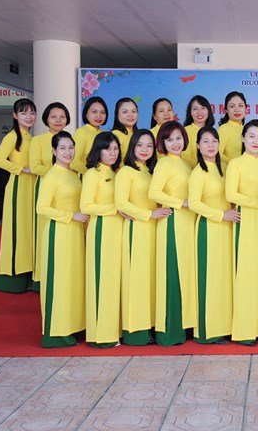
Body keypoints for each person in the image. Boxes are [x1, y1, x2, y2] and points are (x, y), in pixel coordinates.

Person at [115, 130, 171, 345]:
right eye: (140, 145)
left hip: (154, 231)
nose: (145, 149)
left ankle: (150, 326)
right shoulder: (126, 171)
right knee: (136, 279)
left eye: (149, 145)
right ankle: (135, 331)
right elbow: (121, 203)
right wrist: (149, 214)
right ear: (132, 147)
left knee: (150, 280)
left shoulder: (150, 171)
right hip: (137, 229)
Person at [225, 120, 258, 345]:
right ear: (243, 138)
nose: (256, 141)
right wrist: (257, 202)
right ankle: (245, 330)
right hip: (246, 221)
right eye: (251, 136)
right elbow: (231, 194)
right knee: (246, 273)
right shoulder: (235, 164)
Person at [148, 122, 197, 346]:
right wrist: (180, 203)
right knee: (173, 274)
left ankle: (185, 326)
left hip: (188, 223)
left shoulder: (185, 163)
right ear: (162, 143)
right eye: (169, 140)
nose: (175, 143)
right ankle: (170, 332)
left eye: (178, 138)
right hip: (173, 221)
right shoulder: (164, 163)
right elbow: (154, 192)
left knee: (186, 274)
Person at [189, 126, 239, 344]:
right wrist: (221, 215)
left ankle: (225, 326)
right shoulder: (198, 172)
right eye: (205, 141)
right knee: (210, 279)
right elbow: (194, 203)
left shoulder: (225, 168)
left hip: (228, 229)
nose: (211, 146)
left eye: (214, 141)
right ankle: (208, 331)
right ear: (198, 146)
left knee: (225, 279)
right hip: (209, 228)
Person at [37, 131, 86, 347]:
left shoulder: (73, 173)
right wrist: (70, 216)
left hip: (75, 233)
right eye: (63, 148)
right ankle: (56, 333)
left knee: (72, 280)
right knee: (60, 281)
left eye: (71, 147)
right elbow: (42, 207)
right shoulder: (52, 175)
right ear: (54, 151)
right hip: (59, 232)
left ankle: (71, 326)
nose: (68, 152)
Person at [80, 132, 123, 348]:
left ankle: (114, 330)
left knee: (114, 282)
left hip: (118, 231)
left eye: (115, 148)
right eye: (107, 149)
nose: (112, 153)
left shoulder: (116, 173)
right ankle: (100, 335)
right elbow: (86, 206)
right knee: (102, 280)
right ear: (98, 150)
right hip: (102, 231)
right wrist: (115, 209)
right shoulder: (92, 174)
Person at [0, 98, 37, 293]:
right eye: (23, 112)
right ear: (15, 115)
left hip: (31, 187)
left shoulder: (30, 137)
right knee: (17, 230)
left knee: (28, 230)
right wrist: (21, 169)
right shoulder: (12, 136)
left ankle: (27, 272)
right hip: (19, 186)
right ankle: (12, 276)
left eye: (32, 113)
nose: (28, 116)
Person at [29, 102, 70, 292]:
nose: (58, 120)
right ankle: (41, 276)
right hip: (47, 185)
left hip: (67, 187)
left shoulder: (69, 139)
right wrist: (58, 171)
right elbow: (35, 167)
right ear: (46, 119)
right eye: (54, 116)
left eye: (62, 116)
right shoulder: (38, 140)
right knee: (44, 230)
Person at [71, 97, 108, 175]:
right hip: (86, 178)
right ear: (86, 114)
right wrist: (94, 174)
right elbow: (73, 162)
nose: (99, 115)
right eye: (94, 112)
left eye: (102, 112)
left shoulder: (105, 134)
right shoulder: (82, 132)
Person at [183, 95, 215, 167]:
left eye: (203, 108)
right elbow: (184, 157)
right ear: (190, 112)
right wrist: (204, 166)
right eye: (195, 109)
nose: (199, 112)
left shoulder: (213, 131)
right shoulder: (185, 131)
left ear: (208, 111)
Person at [218, 91, 247, 163]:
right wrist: (235, 164)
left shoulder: (248, 129)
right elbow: (217, 153)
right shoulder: (224, 129)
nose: (237, 110)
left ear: (246, 108)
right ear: (226, 110)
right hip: (229, 168)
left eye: (240, 106)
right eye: (232, 106)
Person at [111, 97, 139, 163]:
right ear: (117, 114)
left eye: (133, 111)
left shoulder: (138, 135)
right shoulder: (115, 135)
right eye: (125, 112)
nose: (130, 115)